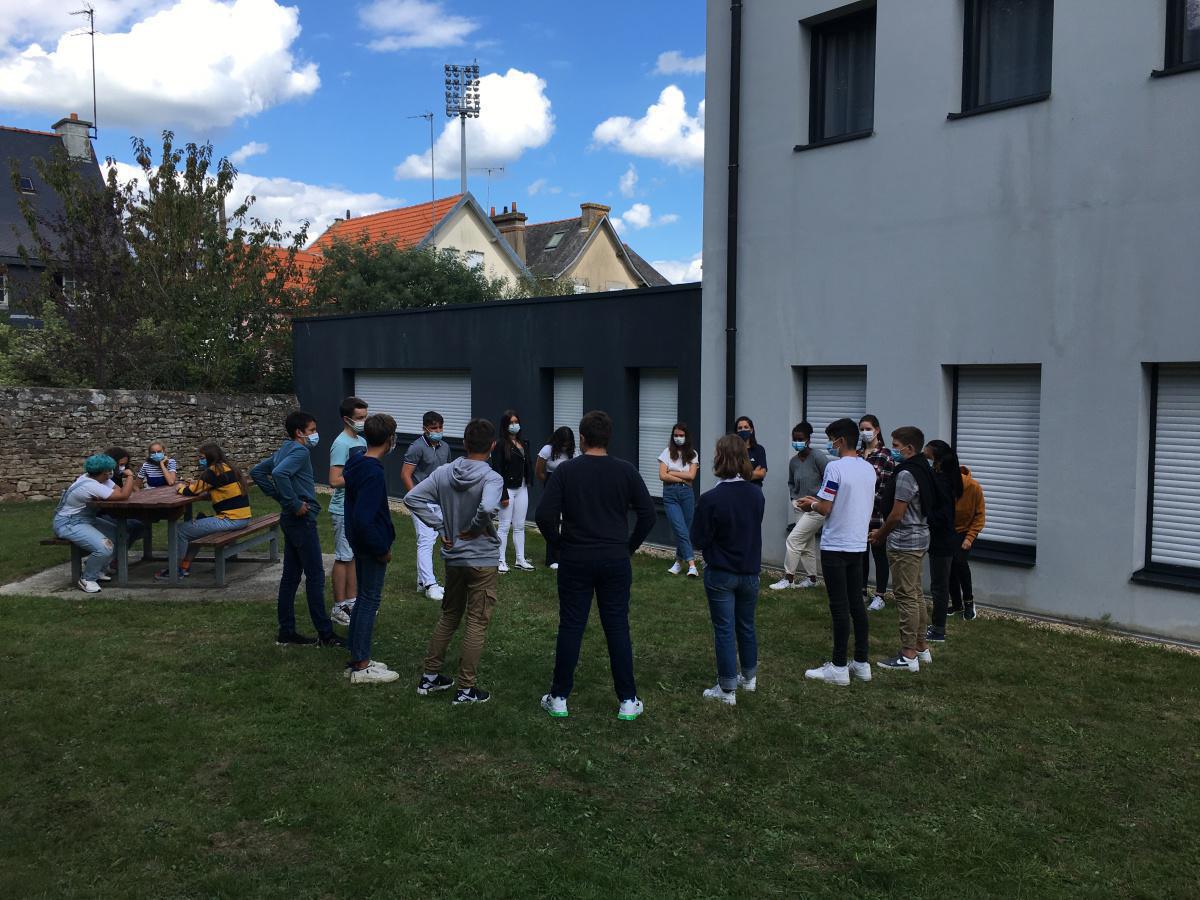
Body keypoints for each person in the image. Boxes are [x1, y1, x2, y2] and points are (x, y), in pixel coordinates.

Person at [535, 410, 656, 721]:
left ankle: (559, 696)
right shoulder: (626, 471)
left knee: (571, 625)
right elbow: (648, 514)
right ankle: (627, 700)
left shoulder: (565, 472)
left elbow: (544, 516)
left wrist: (560, 545)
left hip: (576, 558)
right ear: (608, 438)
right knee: (617, 626)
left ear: (583, 439)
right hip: (615, 559)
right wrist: (628, 547)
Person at [406, 418, 505, 704]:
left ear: (464, 442)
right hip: (481, 559)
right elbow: (487, 507)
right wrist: (474, 528)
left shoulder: (443, 472)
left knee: (449, 614)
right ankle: (466, 689)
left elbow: (413, 498)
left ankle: (430, 676)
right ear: (492, 446)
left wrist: (440, 527)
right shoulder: (491, 478)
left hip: (454, 558)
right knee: (476, 620)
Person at [252, 410, 344, 648]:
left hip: (291, 520)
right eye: (312, 431)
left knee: (290, 577)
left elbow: (258, 472)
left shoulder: (284, 449)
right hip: (301, 520)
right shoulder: (300, 451)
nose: (315, 435)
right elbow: (279, 474)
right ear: (299, 432)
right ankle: (326, 634)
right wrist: (292, 503)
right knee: (315, 577)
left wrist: (281, 498)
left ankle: (287, 631)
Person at [799, 419, 877, 686]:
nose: (830, 445)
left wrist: (809, 504)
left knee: (839, 607)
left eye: (832, 439)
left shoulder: (834, 468)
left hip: (835, 546)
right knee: (857, 604)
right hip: (858, 545)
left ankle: (839, 666)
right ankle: (862, 662)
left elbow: (826, 508)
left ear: (840, 441)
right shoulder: (868, 469)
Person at [690, 434, 766, 705]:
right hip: (749, 572)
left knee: (724, 629)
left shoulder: (711, 499)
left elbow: (698, 539)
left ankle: (726, 689)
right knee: (746, 625)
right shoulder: (756, 495)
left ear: (720, 458)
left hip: (721, 571)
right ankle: (749, 677)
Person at [870, 426, 935, 673]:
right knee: (916, 594)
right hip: (919, 538)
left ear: (909, 448)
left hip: (905, 541)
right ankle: (921, 647)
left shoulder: (907, 474)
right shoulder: (922, 469)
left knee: (906, 597)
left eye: (896, 446)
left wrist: (880, 534)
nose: (893, 451)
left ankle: (908, 654)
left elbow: (897, 514)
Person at [343, 413, 401, 685]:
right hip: (370, 545)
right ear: (390, 439)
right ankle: (362, 665)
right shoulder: (373, 472)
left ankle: (356, 656)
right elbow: (364, 518)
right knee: (368, 601)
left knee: (362, 600)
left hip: (358, 542)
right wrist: (381, 549)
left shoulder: (356, 462)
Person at [154, 443, 252, 581]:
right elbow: (211, 486)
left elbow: (190, 491)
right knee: (198, 520)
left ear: (210, 457)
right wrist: (196, 483)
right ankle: (185, 565)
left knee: (179, 530)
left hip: (231, 519)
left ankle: (175, 571)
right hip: (243, 517)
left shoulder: (212, 471)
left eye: (201, 457)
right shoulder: (228, 468)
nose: (199, 460)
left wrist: (180, 487)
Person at [53, 453, 136, 593]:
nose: (111, 473)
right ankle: (87, 579)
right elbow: (123, 495)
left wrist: (115, 491)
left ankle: (97, 569)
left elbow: (118, 491)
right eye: (109, 470)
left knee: (121, 535)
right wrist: (130, 476)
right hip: (69, 523)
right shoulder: (89, 485)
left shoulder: (96, 479)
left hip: (86, 519)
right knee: (105, 547)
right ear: (104, 472)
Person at [769, 421, 828, 591]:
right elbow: (790, 482)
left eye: (800, 439)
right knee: (806, 545)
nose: (797, 442)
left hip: (816, 508)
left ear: (808, 439)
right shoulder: (793, 461)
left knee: (793, 540)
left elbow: (829, 480)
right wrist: (793, 499)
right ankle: (811, 579)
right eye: (794, 439)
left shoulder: (818, 457)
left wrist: (818, 500)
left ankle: (788, 579)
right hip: (799, 507)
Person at [328, 396, 369, 625]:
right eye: (359, 418)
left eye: (365, 417)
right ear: (347, 419)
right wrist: (359, 476)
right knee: (343, 557)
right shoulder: (341, 443)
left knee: (353, 555)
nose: (364, 421)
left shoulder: (360, 441)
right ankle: (338, 606)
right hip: (342, 509)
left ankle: (352, 602)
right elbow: (334, 480)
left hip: (356, 506)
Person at [402, 410, 451, 599]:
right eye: (433, 428)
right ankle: (430, 584)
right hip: (422, 502)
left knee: (439, 539)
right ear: (425, 429)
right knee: (425, 541)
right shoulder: (416, 447)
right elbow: (405, 474)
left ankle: (421, 583)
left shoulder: (445, 446)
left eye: (440, 427)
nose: (438, 430)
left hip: (440, 502)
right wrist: (415, 498)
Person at [924, 440, 963, 644]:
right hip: (943, 539)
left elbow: (944, 514)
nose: (924, 452)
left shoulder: (942, 480)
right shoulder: (944, 476)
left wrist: (926, 517)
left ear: (935, 455)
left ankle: (939, 630)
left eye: (927, 449)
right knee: (939, 585)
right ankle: (937, 625)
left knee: (939, 587)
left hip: (942, 540)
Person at [858, 415, 895, 611]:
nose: (864, 433)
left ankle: (880, 595)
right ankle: (862, 591)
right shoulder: (857, 454)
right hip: (857, 514)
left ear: (877, 430)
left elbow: (886, 486)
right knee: (861, 554)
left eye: (868, 428)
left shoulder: (885, 455)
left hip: (876, 513)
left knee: (878, 553)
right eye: (861, 429)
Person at [492, 409, 534, 573]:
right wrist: (502, 494)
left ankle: (520, 559)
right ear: (505, 425)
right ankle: (500, 560)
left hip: (522, 487)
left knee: (519, 525)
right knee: (504, 525)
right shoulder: (501, 445)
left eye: (516, 422)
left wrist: (528, 480)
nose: (514, 425)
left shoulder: (523, 443)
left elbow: (528, 464)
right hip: (507, 489)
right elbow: (497, 470)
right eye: (511, 422)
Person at [659, 422, 700, 577]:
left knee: (686, 530)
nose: (678, 438)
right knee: (680, 528)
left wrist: (672, 472)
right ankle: (692, 565)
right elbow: (662, 475)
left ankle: (678, 562)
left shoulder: (693, 454)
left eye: (681, 435)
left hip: (687, 495)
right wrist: (683, 479)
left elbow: (692, 476)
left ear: (686, 437)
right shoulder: (666, 452)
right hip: (670, 495)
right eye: (675, 435)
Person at [536, 426, 577, 570]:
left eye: (568, 443)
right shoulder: (547, 450)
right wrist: (549, 486)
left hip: (568, 487)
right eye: (563, 443)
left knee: (567, 521)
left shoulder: (572, 452)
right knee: (551, 522)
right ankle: (552, 558)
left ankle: (566, 554)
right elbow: (539, 472)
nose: (565, 446)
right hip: (552, 485)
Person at [950, 462, 986, 621]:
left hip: (966, 530)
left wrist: (969, 538)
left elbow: (980, 517)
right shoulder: (945, 484)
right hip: (948, 530)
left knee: (960, 562)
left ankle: (969, 602)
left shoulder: (974, 488)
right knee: (948, 566)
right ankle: (956, 604)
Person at [734, 416, 767, 487]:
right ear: (736, 432)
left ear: (751, 430)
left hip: (755, 489)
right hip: (736, 489)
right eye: (740, 428)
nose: (743, 430)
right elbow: (731, 475)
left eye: (746, 427)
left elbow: (761, 473)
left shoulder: (759, 449)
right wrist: (753, 473)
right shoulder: (732, 450)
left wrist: (740, 475)